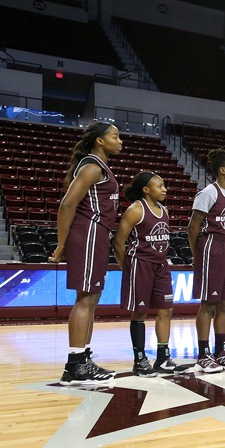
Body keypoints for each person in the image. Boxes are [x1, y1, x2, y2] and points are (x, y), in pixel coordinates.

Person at [50, 123, 121, 385]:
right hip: (89, 233)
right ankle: (75, 366)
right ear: (99, 141)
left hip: (98, 235)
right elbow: (67, 204)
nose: (120, 140)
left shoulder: (100, 167)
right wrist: (61, 244)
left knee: (92, 299)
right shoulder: (92, 167)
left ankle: (83, 360)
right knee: (86, 298)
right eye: (114, 136)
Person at [114, 172, 187, 377]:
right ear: (146, 189)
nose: (164, 189)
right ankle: (139, 361)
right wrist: (126, 267)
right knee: (140, 313)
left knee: (166, 310)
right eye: (160, 186)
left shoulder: (163, 209)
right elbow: (119, 242)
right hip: (141, 263)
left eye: (164, 186)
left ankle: (163, 358)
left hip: (161, 265)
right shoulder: (136, 209)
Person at [188, 148, 225, 373]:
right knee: (208, 303)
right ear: (222, 170)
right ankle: (203, 354)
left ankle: (221, 352)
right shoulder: (209, 193)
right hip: (212, 246)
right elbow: (193, 226)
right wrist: (197, 254)